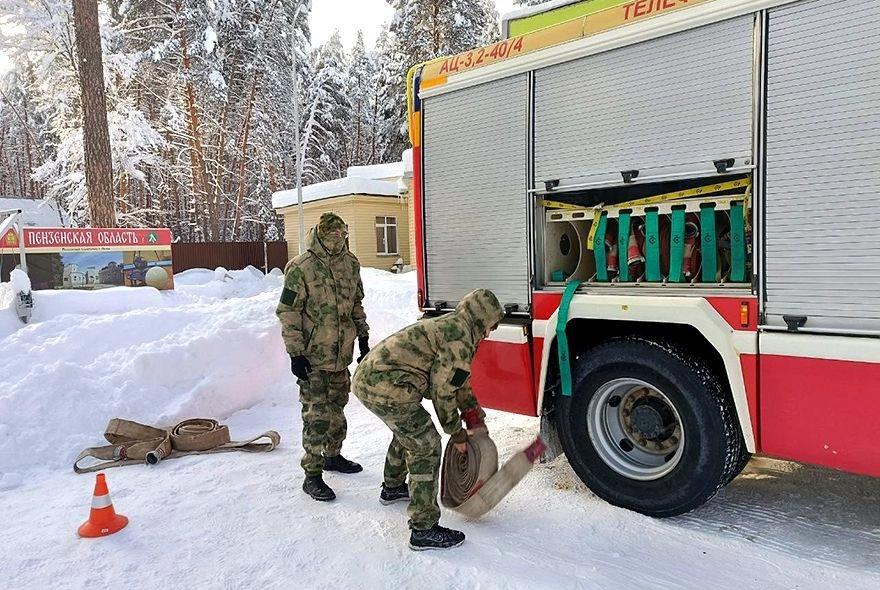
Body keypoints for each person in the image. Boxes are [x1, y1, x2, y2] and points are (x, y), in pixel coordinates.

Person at [351, 288, 504, 551]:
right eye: (490, 326)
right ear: (480, 319)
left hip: (373, 380)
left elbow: (459, 381)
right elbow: (443, 391)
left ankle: (393, 487)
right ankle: (423, 529)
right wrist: (456, 433)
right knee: (426, 444)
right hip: (385, 386)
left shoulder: (457, 326)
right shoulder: (460, 338)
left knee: (409, 430)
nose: (489, 333)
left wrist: (473, 417)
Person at [276, 212, 370, 502]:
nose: (337, 240)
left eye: (341, 235)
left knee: (337, 409)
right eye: (331, 236)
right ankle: (312, 475)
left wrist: (363, 338)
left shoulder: (350, 264)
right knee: (316, 415)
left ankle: (333, 456)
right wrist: (296, 353)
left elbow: (356, 303)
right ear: (320, 235)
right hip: (313, 357)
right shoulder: (301, 267)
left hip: (341, 355)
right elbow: (288, 312)